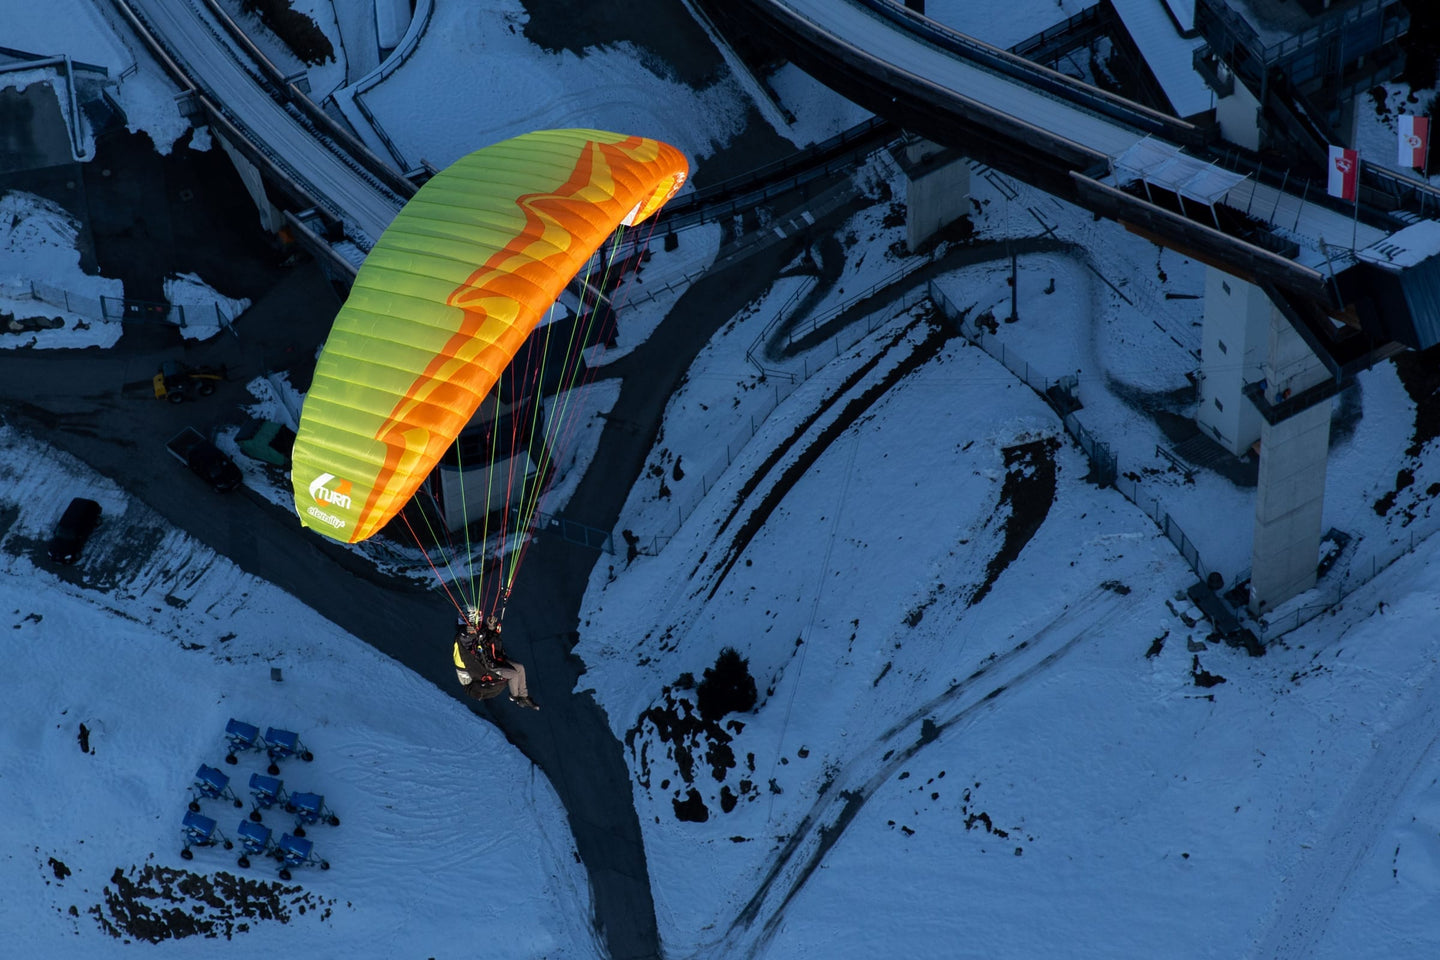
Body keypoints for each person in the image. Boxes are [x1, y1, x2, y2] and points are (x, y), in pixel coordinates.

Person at [453, 608, 539, 710]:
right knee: (513, 674)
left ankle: (524, 697)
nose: (478, 617)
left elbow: (493, 640)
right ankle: (515, 697)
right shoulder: (463, 635)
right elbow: (465, 638)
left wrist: (491, 627)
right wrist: (468, 633)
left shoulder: (481, 628)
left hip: (492, 659)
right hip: (485, 667)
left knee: (520, 668)